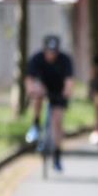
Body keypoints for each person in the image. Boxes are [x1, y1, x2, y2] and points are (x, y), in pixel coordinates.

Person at [25, 35, 74, 172]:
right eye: (49, 52)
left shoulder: (65, 60)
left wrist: (67, 92)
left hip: (58, 91)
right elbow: (29, 79)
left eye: (54, 52)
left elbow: (69, 81)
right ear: (44, 50)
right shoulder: (37, 59)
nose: (51, 55)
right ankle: (35, 124)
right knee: (38, 94)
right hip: (43, 89)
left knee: (57, 122)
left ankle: (57, 155)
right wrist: (31, 90)